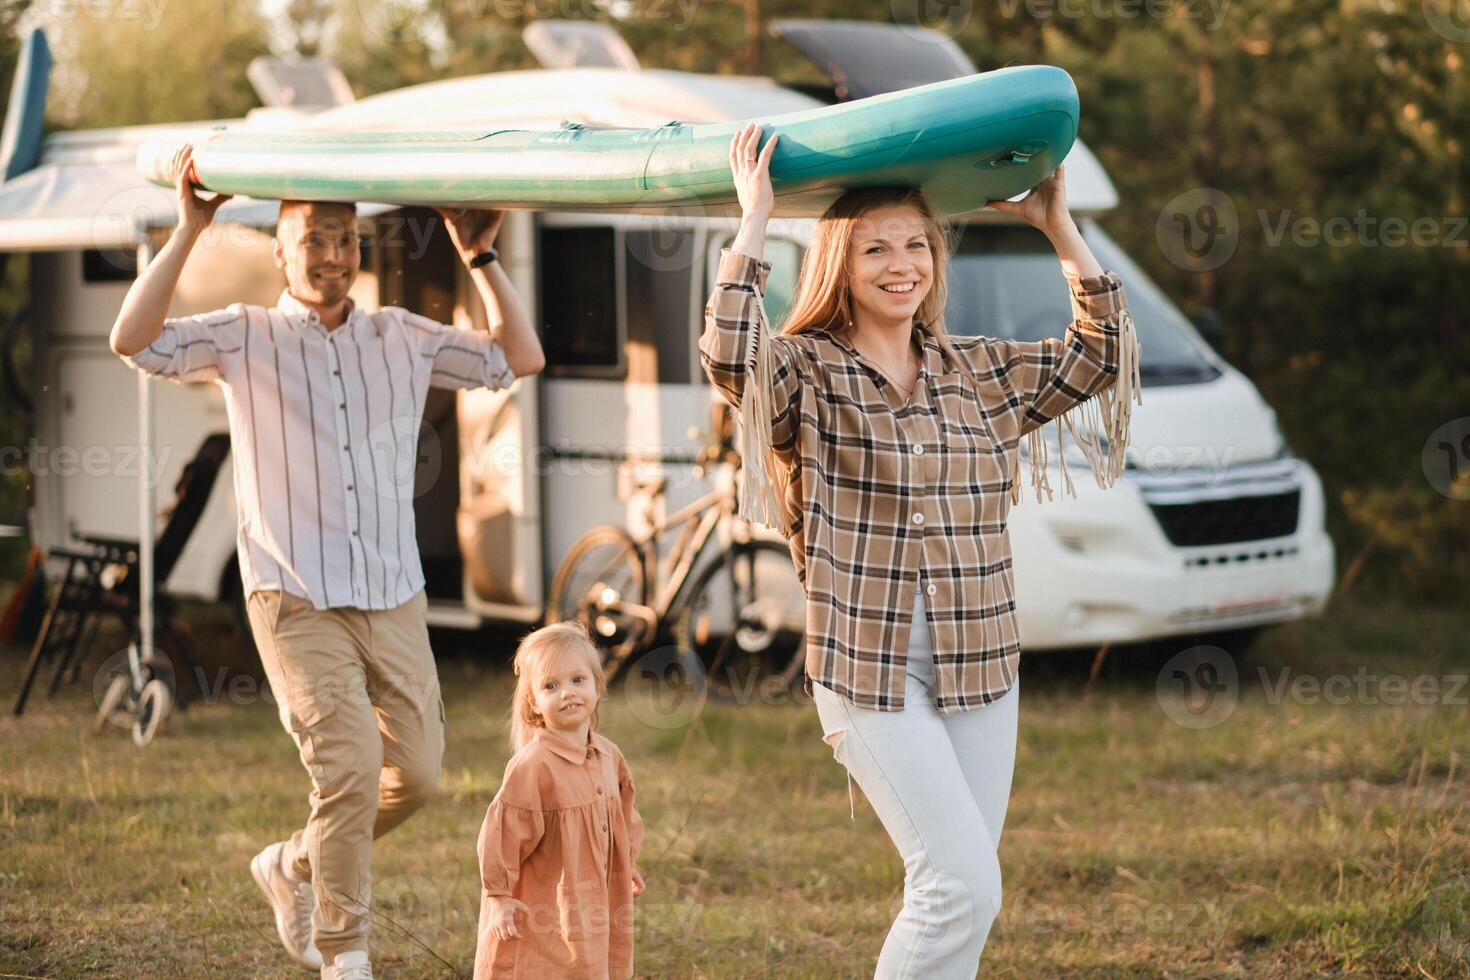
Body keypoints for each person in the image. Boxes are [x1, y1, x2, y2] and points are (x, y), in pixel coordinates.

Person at [699, 122, 1141, 977]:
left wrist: (1059, 226)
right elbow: (730, 358)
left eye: (916, 246)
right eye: (875, 250)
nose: (901, 264)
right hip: (871, 671)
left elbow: (1103, 355)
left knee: (968, 893)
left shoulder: (977, 370)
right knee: (956, 885)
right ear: (841, 267)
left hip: (982, 663)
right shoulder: (806, 371)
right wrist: (755, 221)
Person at [110, 144, 546, 980]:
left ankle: (292, 863)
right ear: (279, 250)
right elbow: (133, 341)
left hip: (393, 592)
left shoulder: (400, 336)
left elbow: (516, 359)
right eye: (315, 238)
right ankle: (346, 955)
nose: (334, 256)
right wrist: (191, 228)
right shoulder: (245, 336)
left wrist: (480, 257)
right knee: (349, 767)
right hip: (294, 592)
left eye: (346, 239)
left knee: (415, 776)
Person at [474, 620, 645, 979]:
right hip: (549, 898)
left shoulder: (609, 755)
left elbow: (623, 814)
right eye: (551, 686)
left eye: (577, 681)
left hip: (598, 891)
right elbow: (502, 832)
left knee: (592, 958)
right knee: (548, 958)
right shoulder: (534, 767)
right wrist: (499, 895)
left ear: (597, 686)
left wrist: (625, 861)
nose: (567, 692)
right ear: (534, 702)